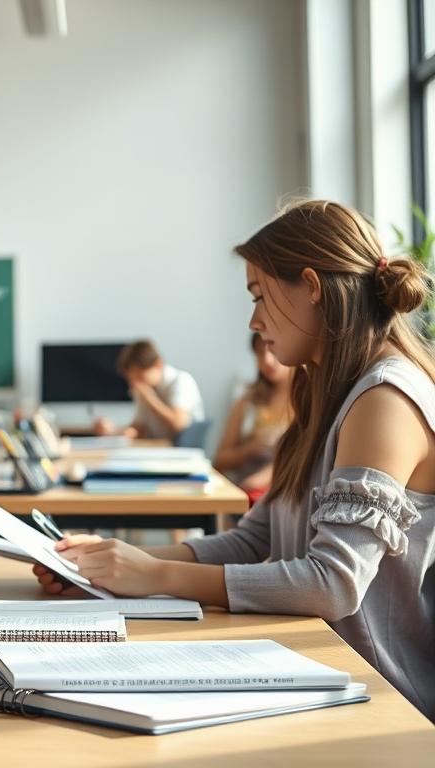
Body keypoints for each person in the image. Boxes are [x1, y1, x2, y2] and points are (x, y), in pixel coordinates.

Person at [37, 200, 435, 722]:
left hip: (382, 702)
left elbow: (333, 584)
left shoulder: (385, 400)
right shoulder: (323, 391)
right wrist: (113, 563)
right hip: (315, 673)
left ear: (311, 286)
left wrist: (157, 575)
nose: (254, 320)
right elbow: (254, 539)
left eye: (259, 296)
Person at [213, 332, 292, 502]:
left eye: (273, 350)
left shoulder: (307, 402)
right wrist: (250, 448)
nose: (267, 361)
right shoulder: (247, 402)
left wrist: (258, 481)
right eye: (259, 353)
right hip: (244, 493)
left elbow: (297, 462)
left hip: (280, 496)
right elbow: (219, 460)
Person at [94, 339, 206, 441]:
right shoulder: (142, 389)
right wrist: (113, 431)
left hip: (182, 452)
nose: (135, 385)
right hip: (157, 449)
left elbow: (179, 424)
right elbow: (139, 429)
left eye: (140, 377)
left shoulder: (181, 381)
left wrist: (149, 398)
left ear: (158, 364)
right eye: (131, 380)